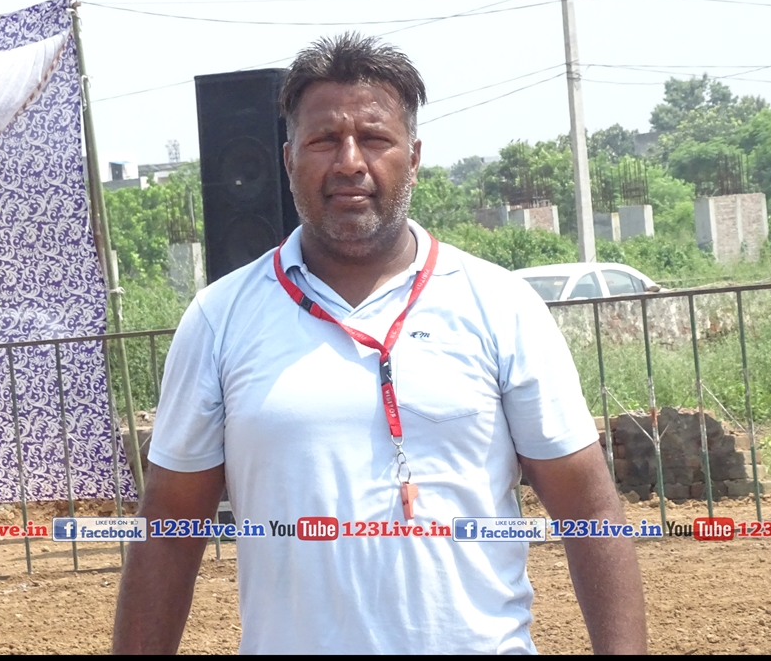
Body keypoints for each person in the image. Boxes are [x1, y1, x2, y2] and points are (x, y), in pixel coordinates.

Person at [112, 33, 647, 654]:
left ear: (413, 157)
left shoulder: (501, 306)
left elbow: (590, 512)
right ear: (288, 159)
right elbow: (168, 531)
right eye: (323, 140)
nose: (349, 162)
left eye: (374, 138)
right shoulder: (219, 319)